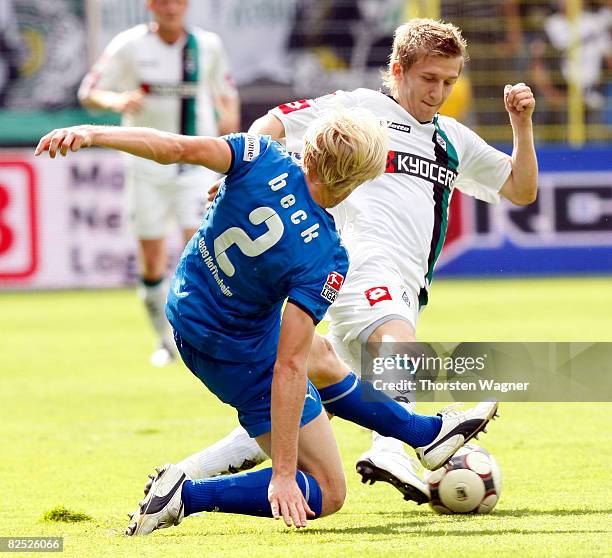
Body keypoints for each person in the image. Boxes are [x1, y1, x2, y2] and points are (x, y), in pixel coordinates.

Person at [36, 110, 498, 534]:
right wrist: (282, 473)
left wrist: (93, 133)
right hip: (231, 350)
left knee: (322, 353)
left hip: (190, 306)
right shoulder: (326, 258)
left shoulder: (258, 154)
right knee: (328, 491)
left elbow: (171, 147)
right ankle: (183, 496)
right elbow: (288, 367)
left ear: (311, 149)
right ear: (358, 182)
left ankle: (424, 434)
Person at [173, 18, 536, 505]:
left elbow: (520, 188)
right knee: (401, 344)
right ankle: (397, 447)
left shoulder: (453, 140)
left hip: (403, 284)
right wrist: (246, 172)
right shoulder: (361, 109)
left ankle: (181, 479)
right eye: (429, 79)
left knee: (309, 402)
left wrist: (522, 125)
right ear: (398, 70)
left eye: (449, 82)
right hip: (356, 263)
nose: (438, 92)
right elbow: (275, 121)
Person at [78, 0, 240, 367]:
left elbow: (226, 94)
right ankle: (163, 339)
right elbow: (89, 91)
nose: (171, 8)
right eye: (163, 1)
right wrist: (118, 100)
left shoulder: (207, 45)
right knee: (152, 260)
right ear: (151, 6)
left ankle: (205, 337)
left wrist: (231, 140)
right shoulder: (129, 45)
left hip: (194, 165)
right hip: (146, 168)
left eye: (178, 1)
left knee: (201, 252)